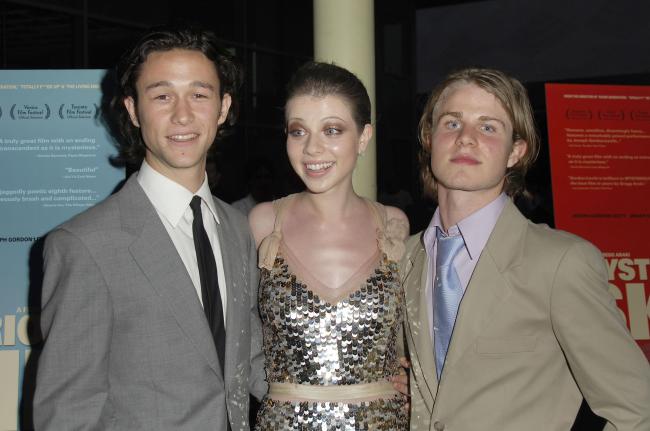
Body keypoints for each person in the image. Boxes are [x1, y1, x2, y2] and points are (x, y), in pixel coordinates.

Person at [34, 26, 266, 430]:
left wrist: (360, 386)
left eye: (199, 94)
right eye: (162, 96)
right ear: (132, 109)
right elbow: (68, 412)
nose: (182, 114)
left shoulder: (239, 229)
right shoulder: (84, 245)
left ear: (223, 107)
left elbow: (253, 358)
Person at [402, 67, 650, 430]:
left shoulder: (560, 262)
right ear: (430, 137)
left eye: (488, 127)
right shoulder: (403, 259)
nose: (466, 138)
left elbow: (637, 409)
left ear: (515, 151)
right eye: (452, 123)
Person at [249, 62, 410, 430]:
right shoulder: (262, 223)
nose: (312, 148)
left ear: (364, 137)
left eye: (332, 130)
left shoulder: (395, 224)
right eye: (298, 131)